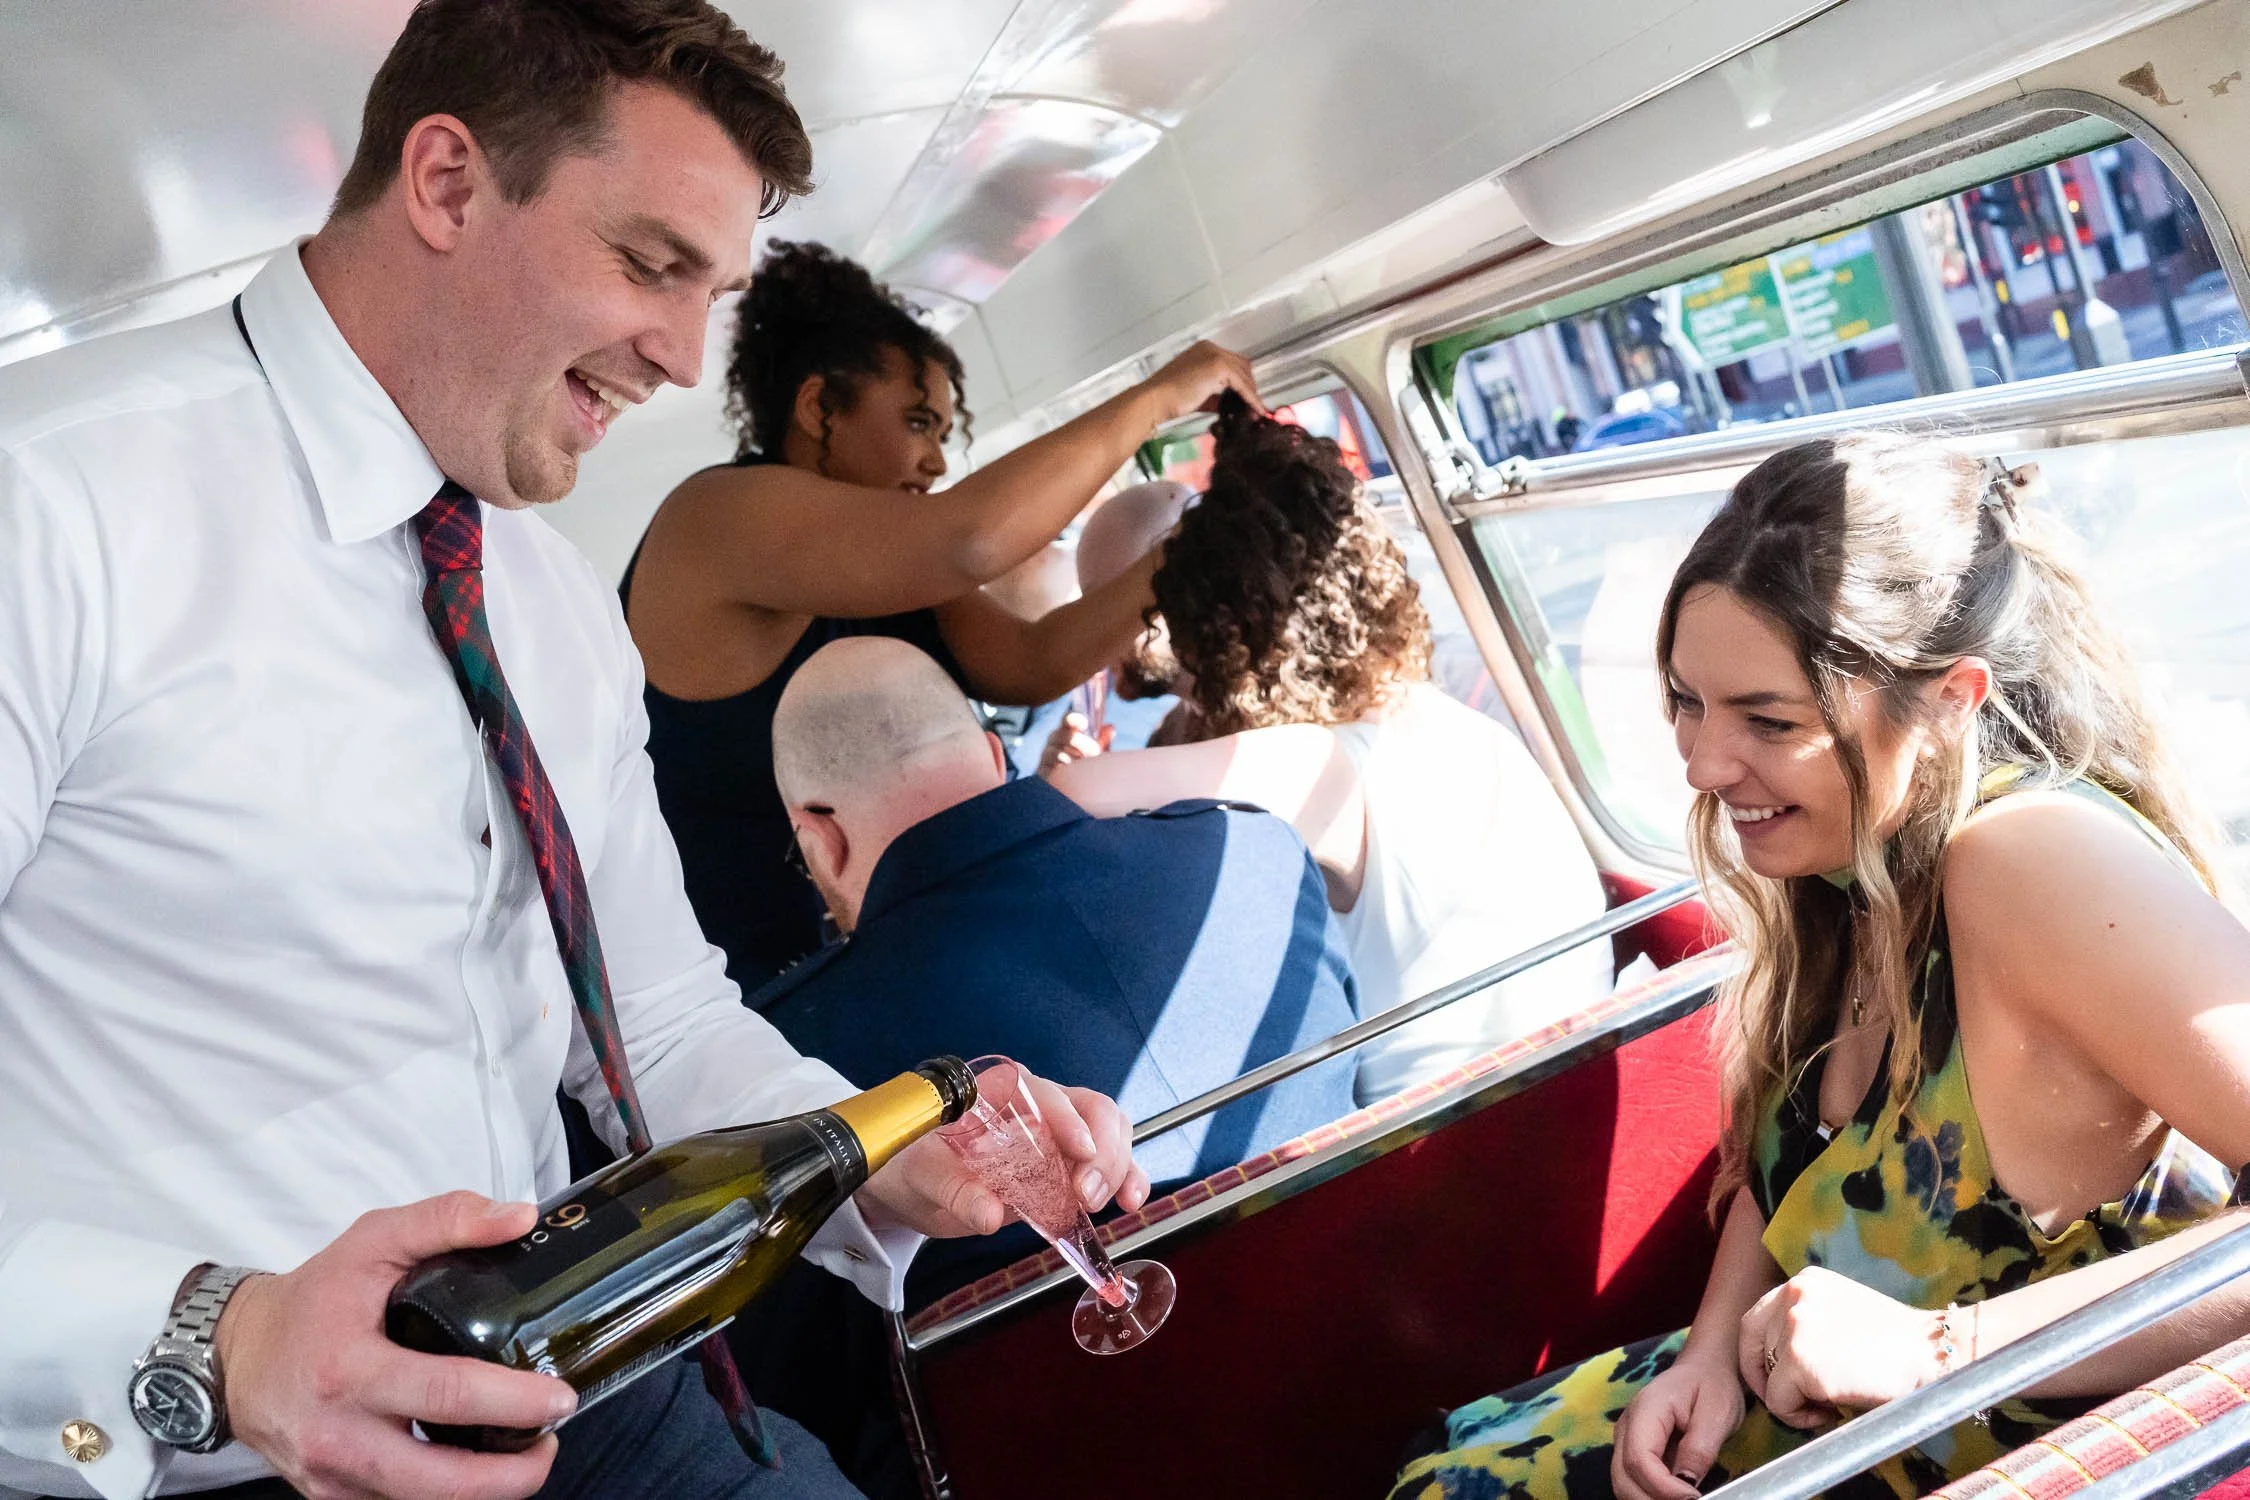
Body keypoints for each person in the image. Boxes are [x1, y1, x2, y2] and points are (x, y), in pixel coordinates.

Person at [0, 5, 1146, 1498]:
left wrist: (887, 1157)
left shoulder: (547, 602)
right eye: (649, 264)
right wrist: (220, 1340)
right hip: (196, 1455)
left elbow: (654, 1030)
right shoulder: (51, 506)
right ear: (447, 183)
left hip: (583, 1394)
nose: (681, 356)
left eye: (711, 294)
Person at [1389, 436, 2250, 1500]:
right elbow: (1795, 1167)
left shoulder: (2031, 864)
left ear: (1948, 701)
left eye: (1769, 720)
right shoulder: (1855, 861)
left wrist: (1937, 1350)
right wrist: (1710, 1351)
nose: (1704, 765)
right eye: (1687, 701)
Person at [619, 241, 1261, 991]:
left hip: (875, 970)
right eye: (919, 422)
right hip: (731, 999)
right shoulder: (717, 519)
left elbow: (1027, 664)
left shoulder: (891, 560)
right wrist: (1157, 398)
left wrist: (1191, 546)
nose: (935, 461)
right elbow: (971, 540)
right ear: (820, 409)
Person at [1048, 396, 1611, 1105]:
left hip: (1456, 1135)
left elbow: (1072, 796)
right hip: (1573, 1089)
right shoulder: (1445, 723)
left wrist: (1062, 767)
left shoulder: (1314, 764)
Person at [760, 635, 1359, 1276]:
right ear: (996, 756)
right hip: (1375, 1276)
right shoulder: (1255, 845)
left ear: (818, 838)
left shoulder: (794, 1058)